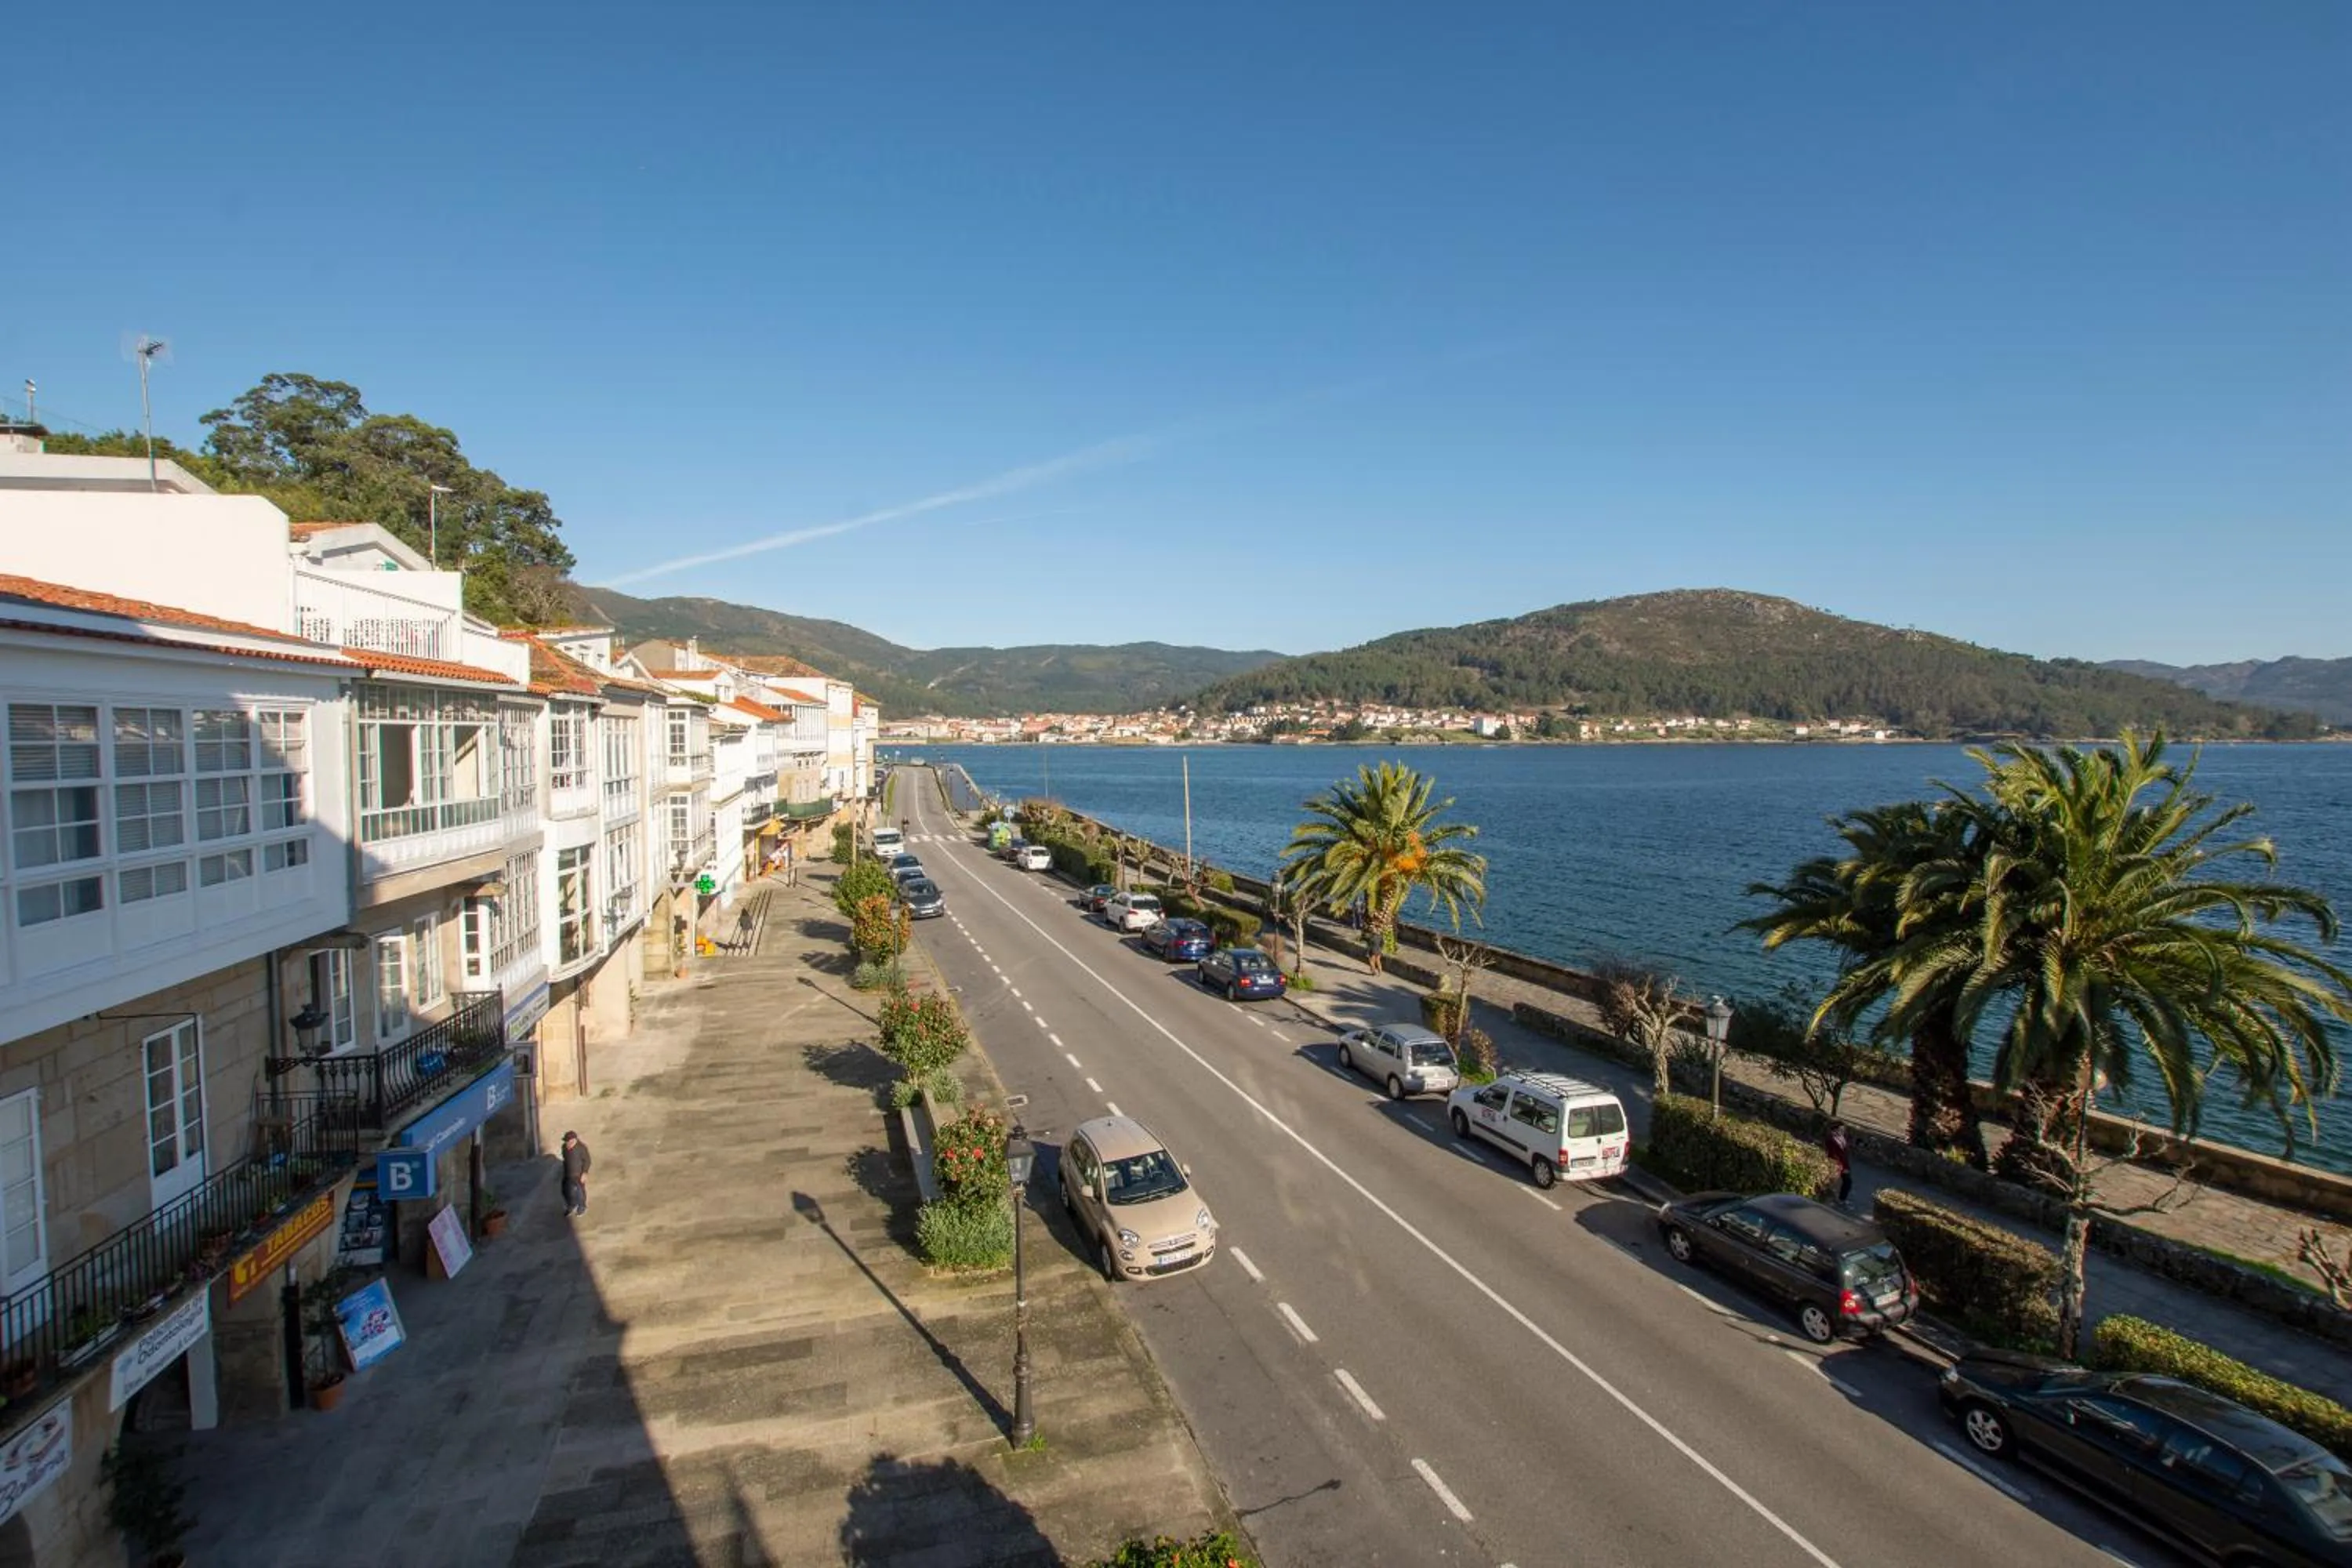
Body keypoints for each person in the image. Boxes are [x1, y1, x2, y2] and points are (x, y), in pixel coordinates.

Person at [561, 1131, 592, 1216]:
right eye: (567, 1142)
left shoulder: (581, 1148)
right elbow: (565, 1159)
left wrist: (585, 1173)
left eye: (570, 1141)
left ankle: (582, 1207)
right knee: (566, 1190)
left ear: (575, 1140)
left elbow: (587, 1160)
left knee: (580, 1192)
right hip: (568, 1173)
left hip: (579, 1174)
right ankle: (571, 1205)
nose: (568, 1143)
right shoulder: (564, 1147)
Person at [1823, 1120, 1853, 1206]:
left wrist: (1846, 1166)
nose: (1843, 1131)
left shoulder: (1843, 1138)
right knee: (1831, 1181)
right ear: (1835, 1130)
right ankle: (1828, 1198)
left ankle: (1841, 1199)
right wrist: (1842, 1167)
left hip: (1845, 1164)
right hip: (1836, 1164)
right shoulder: (1830, 1140)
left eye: (1843, 1130)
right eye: (1841, 1129)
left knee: (1848, 1182)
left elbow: (1845, 1152)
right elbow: (1832, 1155)